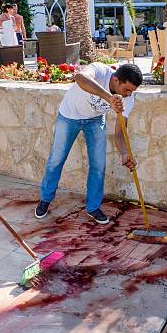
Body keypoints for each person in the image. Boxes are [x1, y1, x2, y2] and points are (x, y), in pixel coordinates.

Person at [35, 63, 143, 224]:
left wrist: (125, 154)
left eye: (131, 91)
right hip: (69, 115)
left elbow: (120, 133)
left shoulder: (128, 98)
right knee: (56, 159)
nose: (128, 95)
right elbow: (79, 77)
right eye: (126, 90)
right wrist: (109, 98)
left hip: (95, 120)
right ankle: (45, 199)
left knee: (98, 165)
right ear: (115, 80)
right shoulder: (100, 70)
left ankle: (93, 207)